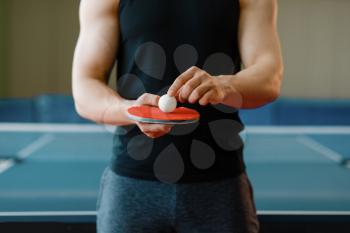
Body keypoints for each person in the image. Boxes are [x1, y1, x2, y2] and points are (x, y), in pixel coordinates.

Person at [72, 0, 283, 232]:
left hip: (221, 185)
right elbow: (84, 85)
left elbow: (269, 77)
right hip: (131, 186)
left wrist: (223, 85)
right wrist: (131, 111)